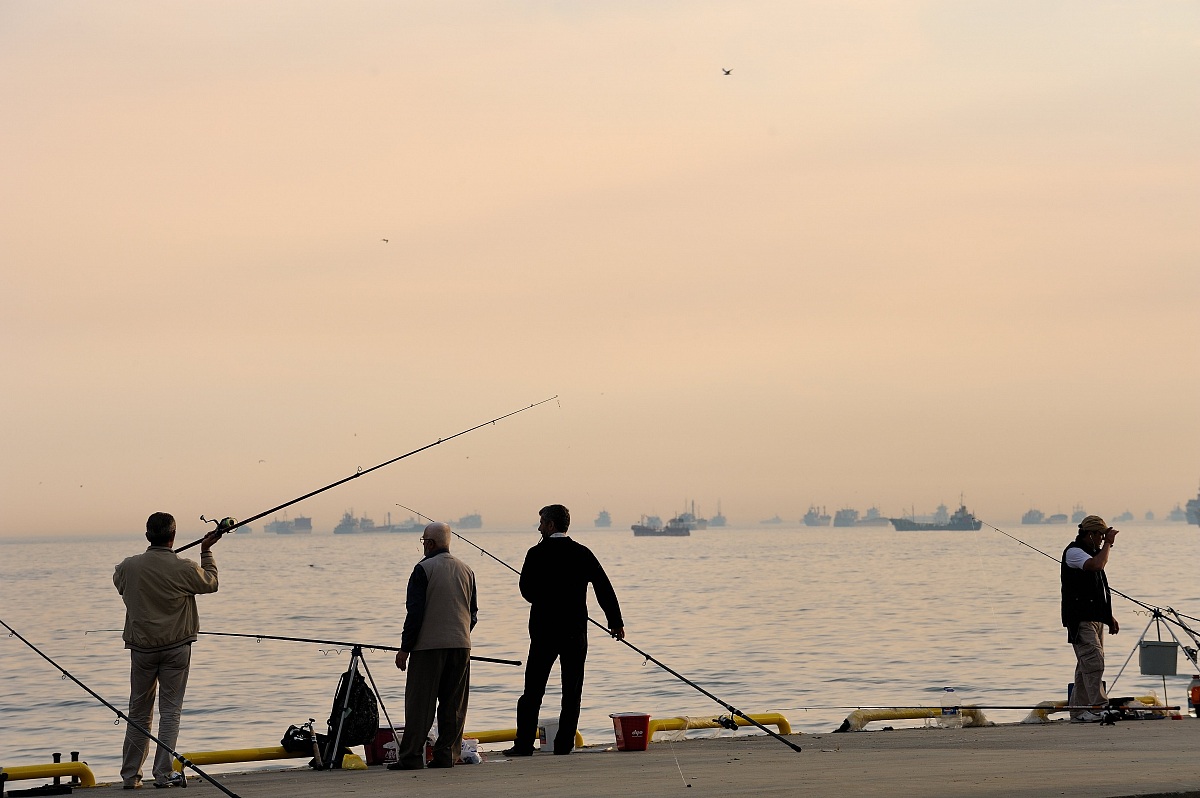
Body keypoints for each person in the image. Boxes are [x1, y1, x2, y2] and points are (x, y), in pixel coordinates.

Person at [113, 512, 224, 789]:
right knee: (170, 712)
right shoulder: (184, 568)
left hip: (142, 650)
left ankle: (130, 776)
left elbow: (119, 580)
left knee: (138, 712)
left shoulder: (129, 566)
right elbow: (211, 582)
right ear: (172, 536)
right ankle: (163, 775)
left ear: (148, 535)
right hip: (176, 649)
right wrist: (206, 551)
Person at [504, 504, 624, 757]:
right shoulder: (582, 553)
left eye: (541, 523)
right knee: (572, 691)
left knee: (532, 691)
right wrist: (616, 622)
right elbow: (604, 588)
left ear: (550, 525)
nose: (538, 528)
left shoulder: (535, 554)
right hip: (575, 632)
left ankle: (524, 744)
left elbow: (526, 592)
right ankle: (563, 745)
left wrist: (545, 593)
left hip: (544, 632)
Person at [389, 522, 478, 770]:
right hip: (461, 646)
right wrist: (459, 634)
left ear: (430, 543)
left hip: (428, 647)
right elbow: (473, 614)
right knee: (454, 705)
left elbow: (414, 613)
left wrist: (404, 648)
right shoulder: (467, 570)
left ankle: (411, 757)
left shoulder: (423, 569)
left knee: (420, 704)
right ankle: (446, 755)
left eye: (424, 541)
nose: (423, 545)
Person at [1061, 514, 1119, 723]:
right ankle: (1098, 707)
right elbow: (1096, 566)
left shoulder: (1093, 552)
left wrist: (1107, 616)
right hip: (1080, 619)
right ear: (1090, 534)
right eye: (1101, 536)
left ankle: (1078, 712)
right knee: (1094, 661)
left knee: (1085, 664)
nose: (1103, 540)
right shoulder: (1074, 552)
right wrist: (1109, 545)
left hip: (1095, 617)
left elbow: (1097, 589)